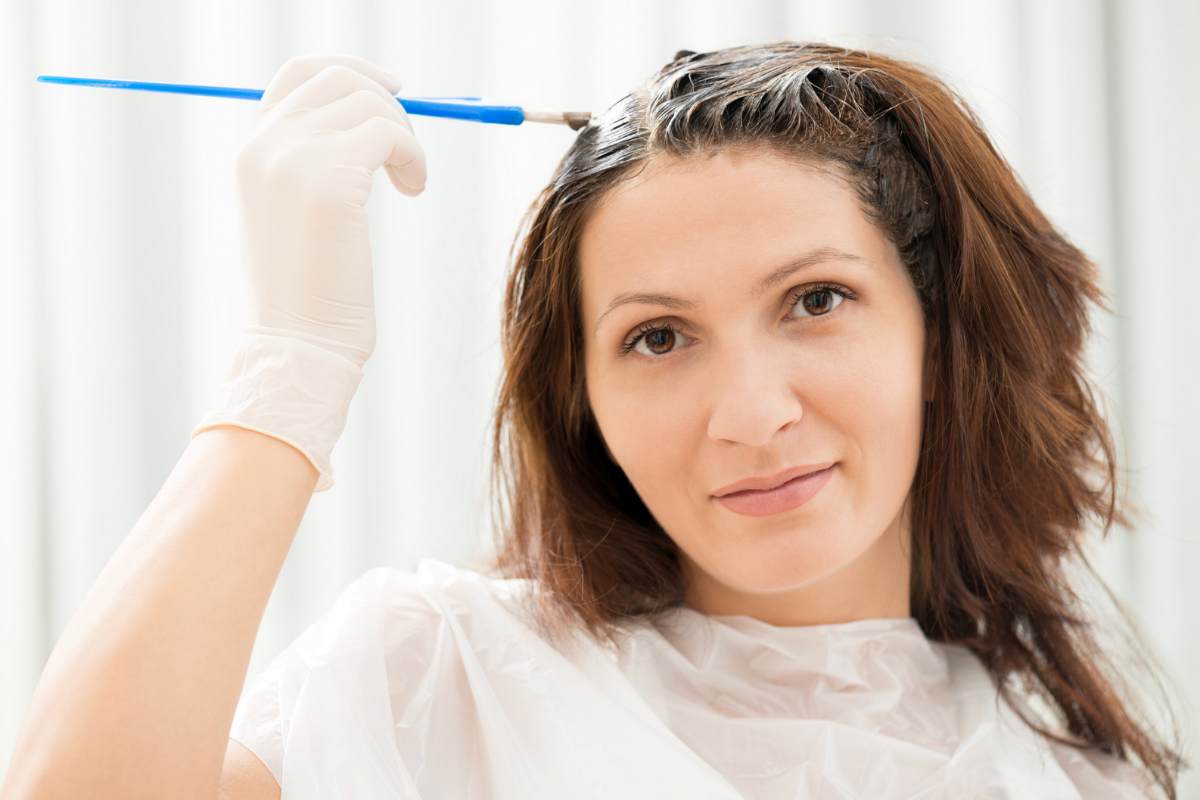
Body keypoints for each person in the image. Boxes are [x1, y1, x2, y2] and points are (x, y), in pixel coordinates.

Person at [2, 43, 1186, 799]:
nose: (751, 415)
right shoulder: (445, 677)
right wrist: (295, 360)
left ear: (941, 335)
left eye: (816, 300)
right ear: (584, 400)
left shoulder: (1080, 779)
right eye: (658, 336)